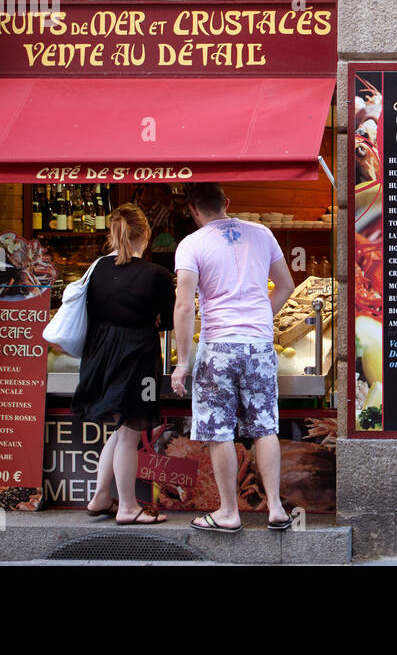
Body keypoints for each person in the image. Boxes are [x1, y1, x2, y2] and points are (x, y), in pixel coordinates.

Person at [170, 183, 295, 532]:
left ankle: (228, 513)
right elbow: (286, 285)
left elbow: (183, 304)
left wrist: (182, 361)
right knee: (265, 425)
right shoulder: (262, 233)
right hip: (258, 344)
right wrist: (259, 319)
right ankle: (275, 509)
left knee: (219, 430)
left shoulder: (191, 244)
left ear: (193, 210)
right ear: (227, 203)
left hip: (218, 346)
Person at [77, 203, 176, 525]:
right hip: (138, 357)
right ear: (145, 234)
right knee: (131, 434)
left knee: (121, 431)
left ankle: (100, 497)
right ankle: (128, 508)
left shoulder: (96, 268)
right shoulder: (157, 275)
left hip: (100, 356)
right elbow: (167, 323)